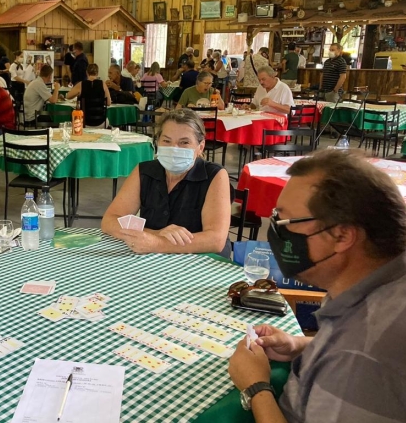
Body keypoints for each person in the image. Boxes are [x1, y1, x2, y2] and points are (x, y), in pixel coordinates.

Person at [227, 150, 406, 423]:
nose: (275, 230)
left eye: (285, 221)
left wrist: (256, 387)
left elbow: (355, 361)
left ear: (342, 235)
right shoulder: (376, 281)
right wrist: (300, 345)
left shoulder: (361, 358)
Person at [101, 108, 231, 257]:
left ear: (200, 147)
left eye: (184, 142)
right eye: (166, 141)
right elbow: (109, 221)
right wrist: (157, 234)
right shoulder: (144, 171)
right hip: (153, 259)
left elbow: (215, 240)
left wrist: (157, 243)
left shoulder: (215, 175)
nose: (174, 149)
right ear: (157, 142)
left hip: (202, 262)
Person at [66, 63, 111, 128]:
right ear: (97, 73)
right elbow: (108, 103)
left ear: (86, 72)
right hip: (101, 123)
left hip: (85, 122)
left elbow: (68, 96)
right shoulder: (103, 84)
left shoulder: (81, 84)